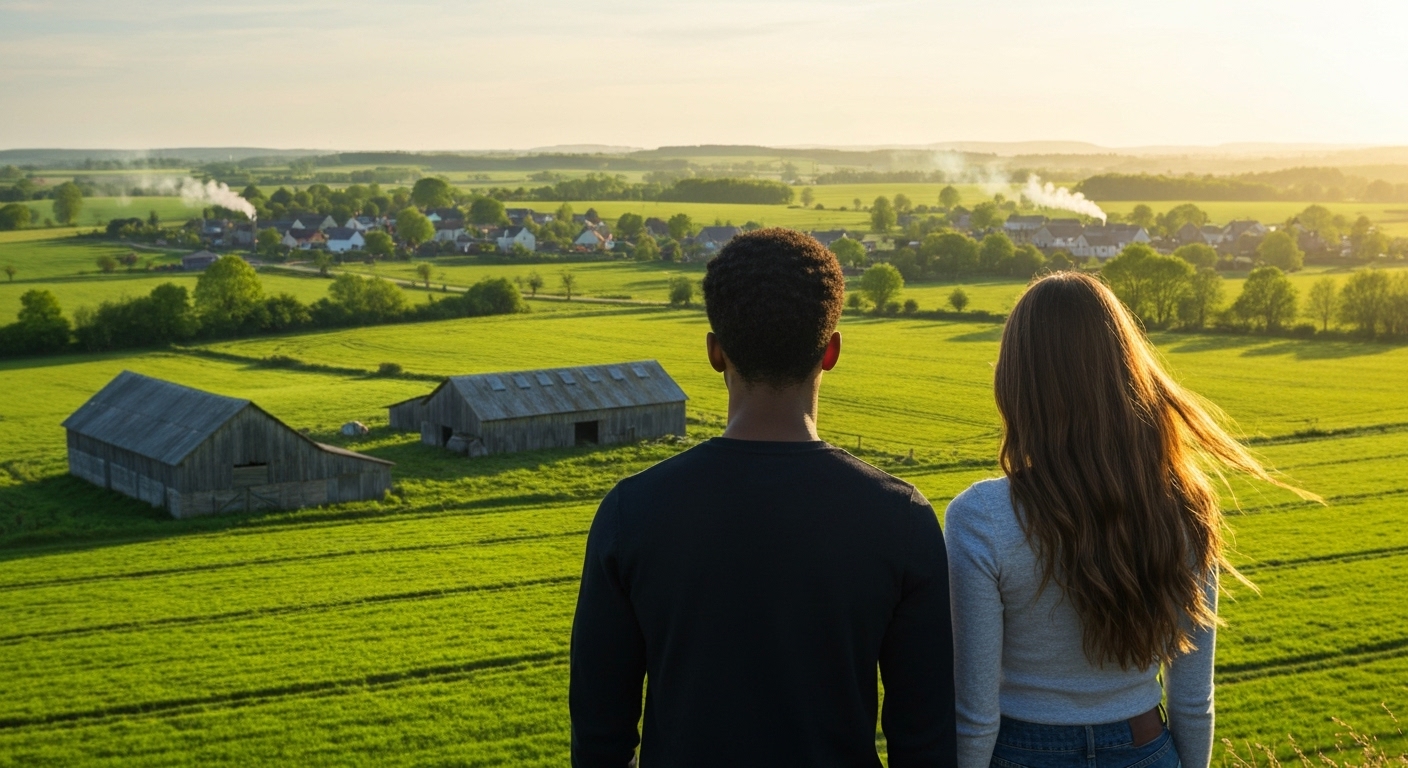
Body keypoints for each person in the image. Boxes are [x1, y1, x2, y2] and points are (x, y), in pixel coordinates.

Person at [570, 228, 957, 768]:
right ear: (831, 350)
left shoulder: (630, 512)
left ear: (714, 352)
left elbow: (598, 737)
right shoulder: (901, 518)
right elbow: (926, 742)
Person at [945, 272, 1315, 768]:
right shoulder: (1183, 505)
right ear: (1127, 373)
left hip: (1020, 751)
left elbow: (975, 711)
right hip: (1147, 747)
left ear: (1015, 382)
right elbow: (1192, 695)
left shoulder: (980, 518)